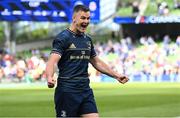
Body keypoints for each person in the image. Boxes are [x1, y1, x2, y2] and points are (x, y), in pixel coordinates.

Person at [45, 4, 129, 118]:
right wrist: (50, 76)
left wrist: (116, 75)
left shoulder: (87, 39)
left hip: (85, 90)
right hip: (67, 91)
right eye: (83, 18)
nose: (86, 21)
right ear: (74, 18)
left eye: (88, 18)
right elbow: (52, 61)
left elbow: (96, 62)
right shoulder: (63, 38)